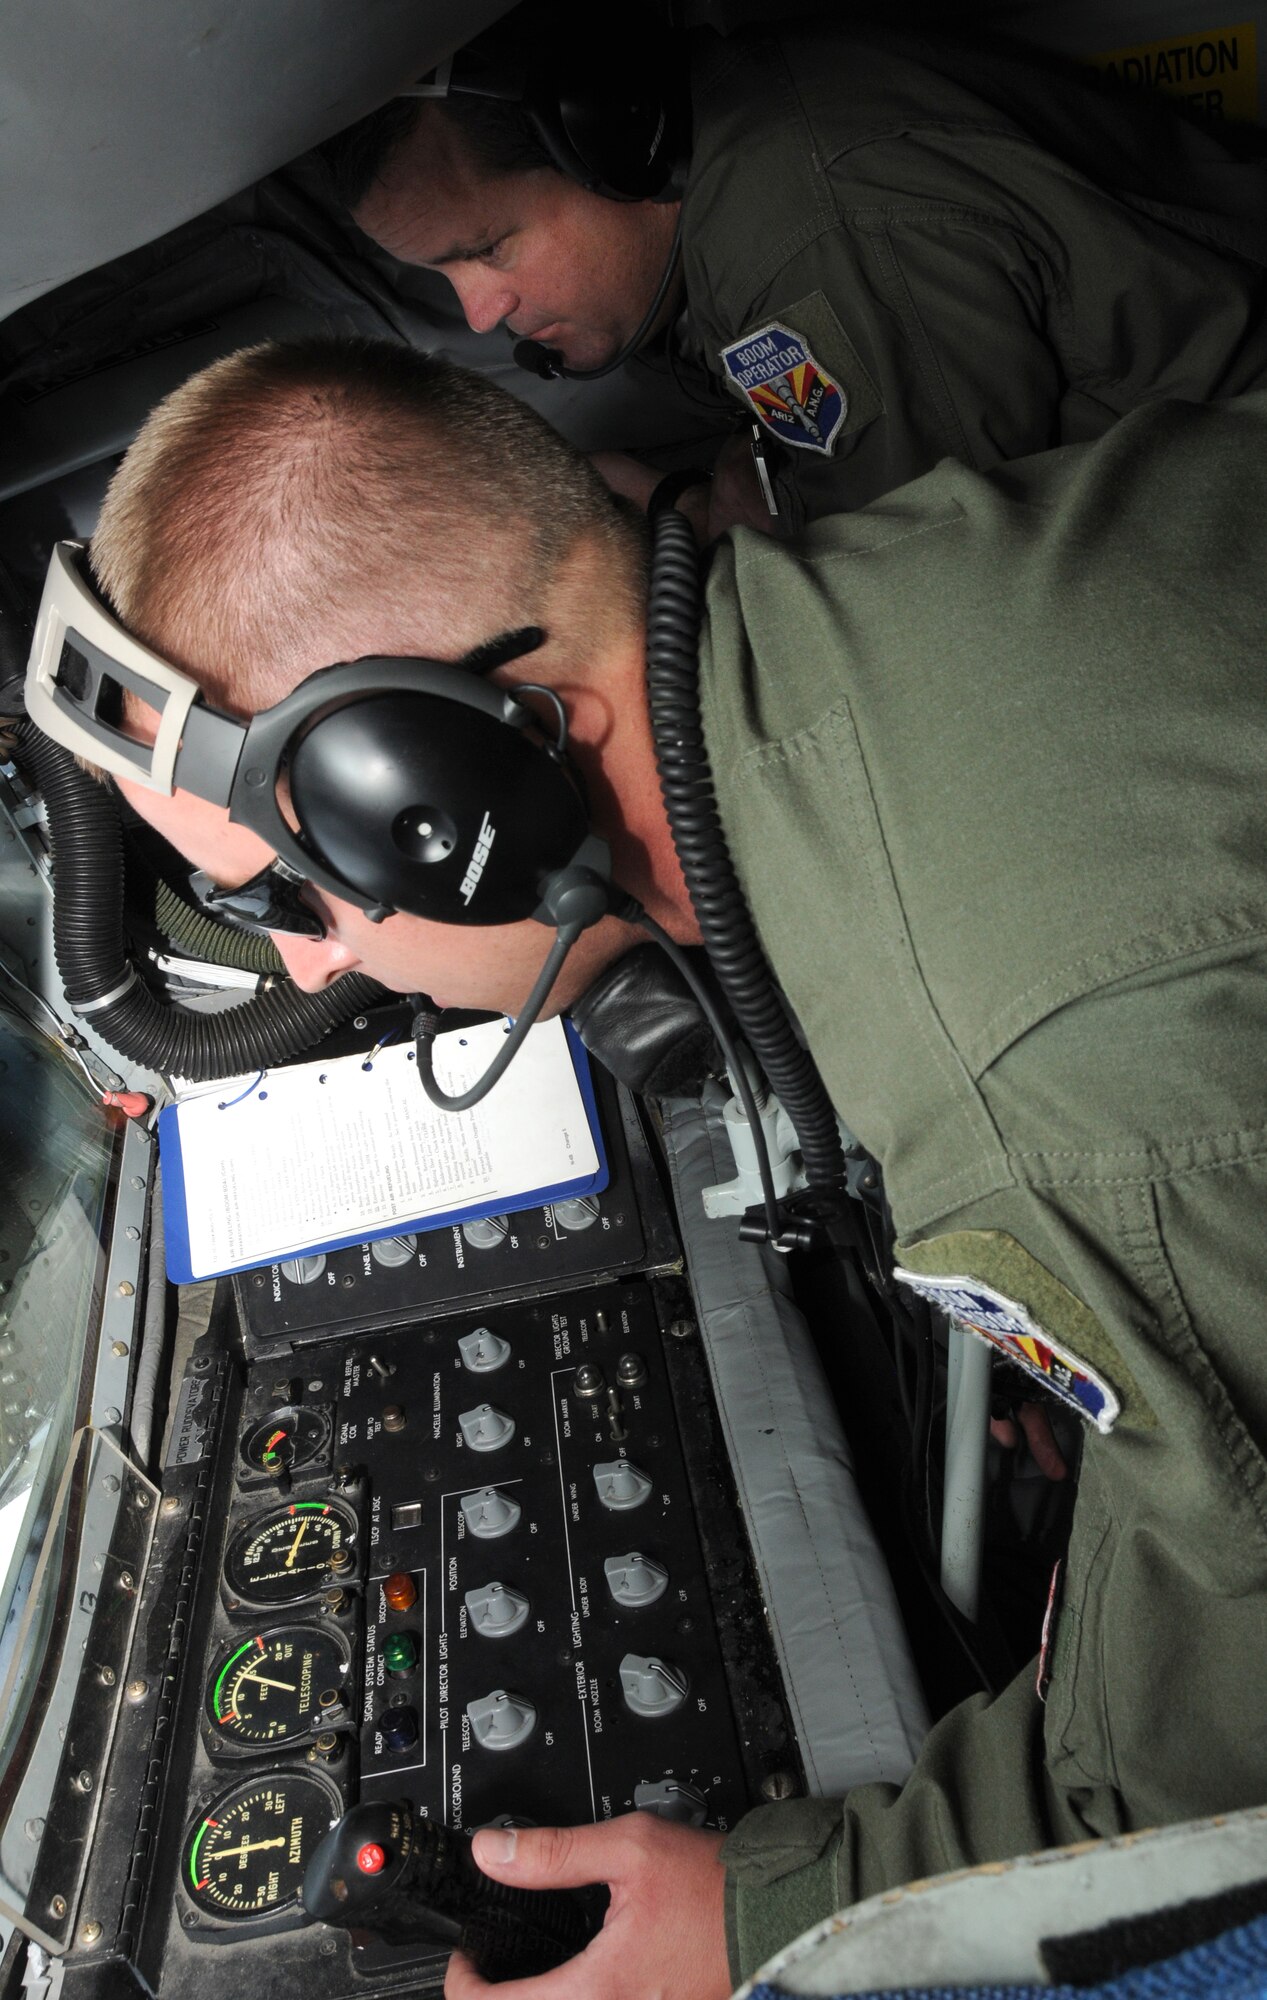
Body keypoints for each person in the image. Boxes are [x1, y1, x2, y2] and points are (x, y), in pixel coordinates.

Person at [38, 337, 1267, 2000]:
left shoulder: (1034, 1095)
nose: (314, 976)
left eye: (283, 900)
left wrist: (779, 1916)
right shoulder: (902, 585)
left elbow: (1199, 1811)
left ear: (455, 802)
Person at [323, 6, 1267, 536]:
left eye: (488, 249)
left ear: (611, 143)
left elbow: (919, 583)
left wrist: (687, 514)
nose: (481, 314)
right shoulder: (735, 162)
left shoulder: (810, 238)